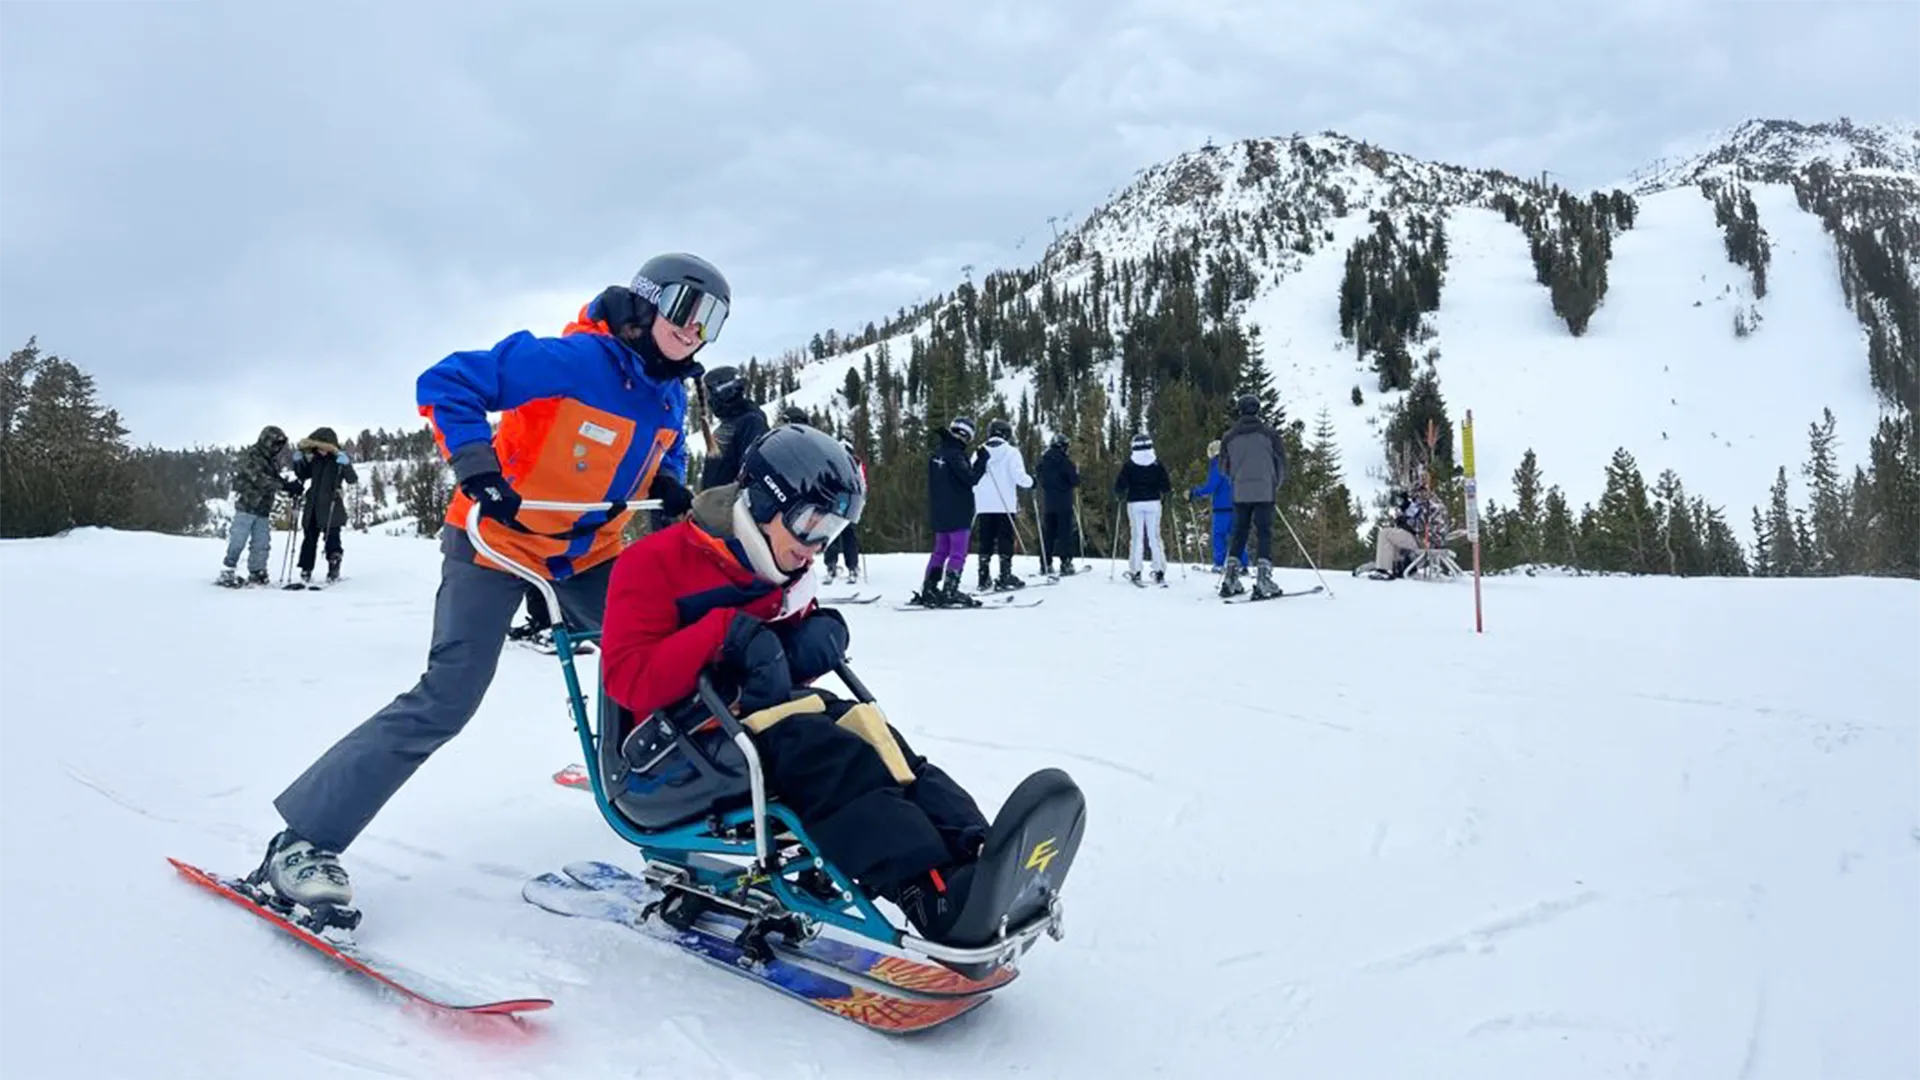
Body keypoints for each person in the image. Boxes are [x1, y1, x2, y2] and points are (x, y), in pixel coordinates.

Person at [246, 252, 728, 923]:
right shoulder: (574, 361)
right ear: (647, 305)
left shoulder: (669, 387)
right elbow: (447, 381)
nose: (696, 331)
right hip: (493, 544)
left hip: (585, 553)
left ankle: (668, 814)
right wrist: (477, 466)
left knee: (665, 659)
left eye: (713, 321)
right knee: (449, 696)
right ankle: (301, 844)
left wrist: (667, 481)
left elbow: (659, 450)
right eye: (687, 311)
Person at [597, 425, 1000, 944]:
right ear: (765, 504)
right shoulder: (653, 564)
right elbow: (628, 682)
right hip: (663, 758)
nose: (816, 546)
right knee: (829, 759)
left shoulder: (776, 562)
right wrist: (722, 633)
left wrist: (806, 642)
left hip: (742, 720)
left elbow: (772, 665)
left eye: (829, 529)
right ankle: (927, 891)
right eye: (810, 523)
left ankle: (976, 853)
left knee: (871, 735)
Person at [1218, 394, 1288, 600]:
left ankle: (1230, 578)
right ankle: (1263, 579)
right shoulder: (1270, 435)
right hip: (1265, 490)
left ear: (1239, 410)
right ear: (1258, 410)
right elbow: (1281, 463)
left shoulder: (1229, 437)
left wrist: (1236, 477)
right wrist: (1275, 482)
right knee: (1264, 532)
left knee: (1239, 532)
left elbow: (1223, 467)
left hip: (1240, 490)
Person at [913, 417, 988, 607]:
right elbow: (970, 479)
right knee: (957, 552)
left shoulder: (938, 453)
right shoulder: (956, 455)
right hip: (958, 511)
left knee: (940, 551)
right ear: (966, 436)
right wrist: (982, 461)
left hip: (939, 510)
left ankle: (929, 587)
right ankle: (950, 590)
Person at [218, 425, 302, 587]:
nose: (277, 448)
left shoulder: (270, 461)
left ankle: (257, 571)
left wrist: (289, 486)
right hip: (247, 506)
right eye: (275, 444)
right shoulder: (252, 456)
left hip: (263, 508)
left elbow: (274, 478)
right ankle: (228, 569)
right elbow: (260, 479)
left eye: (280, 445)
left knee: (261, 542)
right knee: (238, 539)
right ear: (266, 441)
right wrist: (283, 486)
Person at [289, 427, 359, 586]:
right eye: (318, 447)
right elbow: (302, 474)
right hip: (313, 505)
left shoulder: (338, 461)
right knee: (309, 539)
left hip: (332, 505)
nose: (320, 450)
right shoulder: (314, 460)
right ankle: (306, 569)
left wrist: (347, 465)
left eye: (323, 447)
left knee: (332, 538)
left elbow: (352, 479)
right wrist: (298, 462)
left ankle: (334, 567)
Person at [970, 418, 1033, 590]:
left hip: (983, 505)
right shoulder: (1011, 452)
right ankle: (1005, 575)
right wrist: (1031, 482)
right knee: (1005, 539)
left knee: (986, 540)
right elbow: (1019, 477)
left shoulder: (978, 452)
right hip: (1005, 504)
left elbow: (971, 475)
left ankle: (983, 577)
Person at [1112, 432, 1171, 585]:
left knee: (1137, 537)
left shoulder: (1130, 465)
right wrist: (1166, 494)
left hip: (1135, 503)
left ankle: (1136, 570)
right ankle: (1159, 570)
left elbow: (1120, 486)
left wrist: (1119, 495)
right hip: (1153, 502)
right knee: (1154, 537)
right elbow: (1166, 486)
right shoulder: (1156, 464)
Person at [698, 364, 769, 490]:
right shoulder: (732, 422)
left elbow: (752, 471)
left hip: (730, 505)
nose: (709, 400)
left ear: (724, 392)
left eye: (710, 393)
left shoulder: (750, 422)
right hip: (713, 503)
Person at [1188, 439, 1244, 573]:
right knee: (1237, 536)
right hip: (1237, 506)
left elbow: (1210, 487)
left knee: (1219, 536)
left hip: (1222, 508)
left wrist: (1195, 492)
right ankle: (1242, 564)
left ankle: (1219, 564)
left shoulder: (1218, 466)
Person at [1035, 432, 1081, 576]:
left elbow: (1039, 478)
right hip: (1064, 503)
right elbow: (1075, 481)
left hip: (1049, 503)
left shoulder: (1043, 461)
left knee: (1048, 534)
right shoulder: (1065, 462)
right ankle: (1065, 563)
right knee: (1064, 534)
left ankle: (1045, 563)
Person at [823, 437, 866, 584]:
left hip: (842, 501)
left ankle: (843, 566)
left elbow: (862, 484)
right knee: (842, 535)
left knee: (840, 534)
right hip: (843, 501)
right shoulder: (851, 463)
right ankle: (842, 566)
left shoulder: (852, 463)